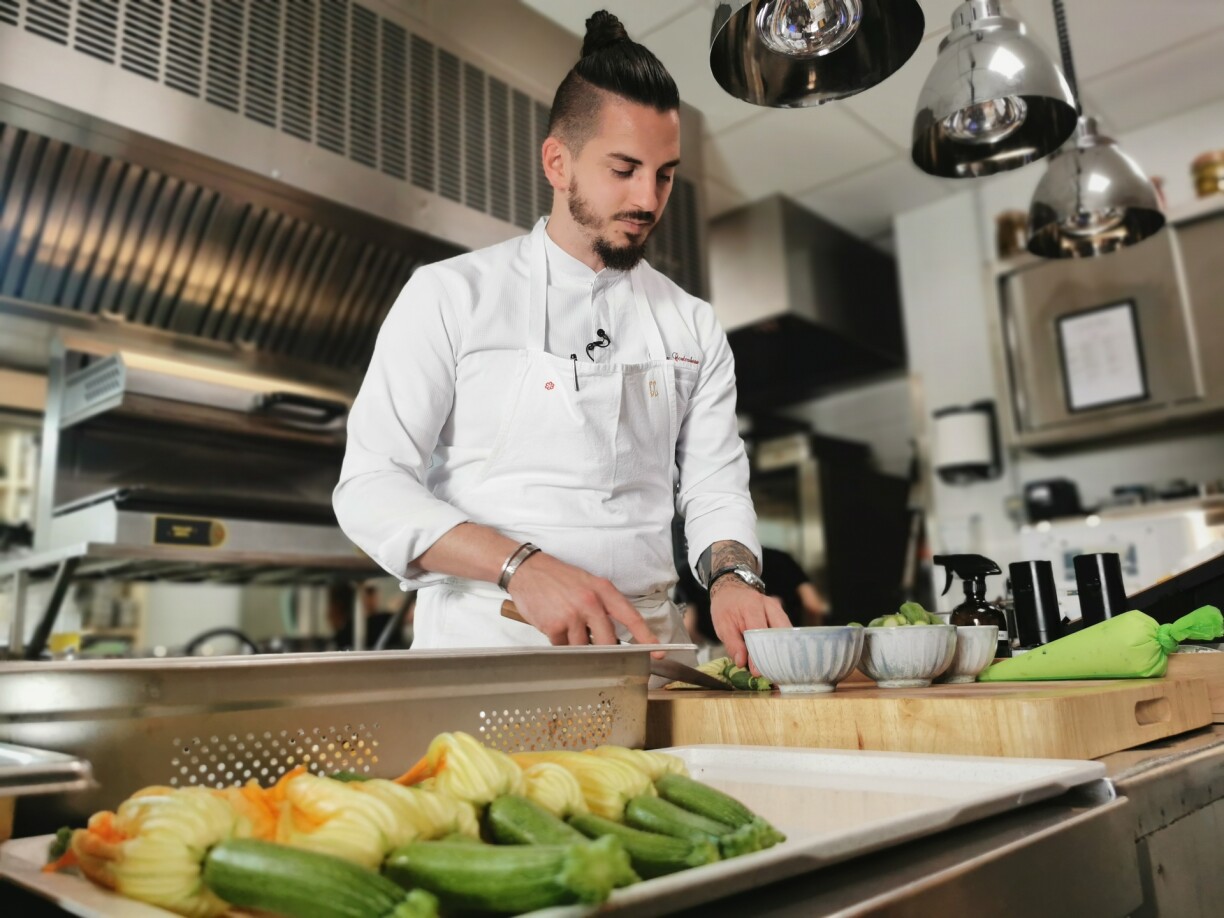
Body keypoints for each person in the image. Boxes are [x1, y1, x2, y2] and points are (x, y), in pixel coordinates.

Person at [333, 11, 788, 669]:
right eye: (624, 169)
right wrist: (521, 565)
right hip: (487, 651)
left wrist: (733, 579)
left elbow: (715, 486)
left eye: (664, 174)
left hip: (651, 655)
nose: (648, 199)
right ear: (557, 162)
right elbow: (370, 486)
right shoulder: (451, 295)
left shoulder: (693, 325)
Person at [760, 547, 829, 627]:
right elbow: (812, 605)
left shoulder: (751, 565)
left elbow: (813, 606)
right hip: (793, 629)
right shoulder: (779, 558)